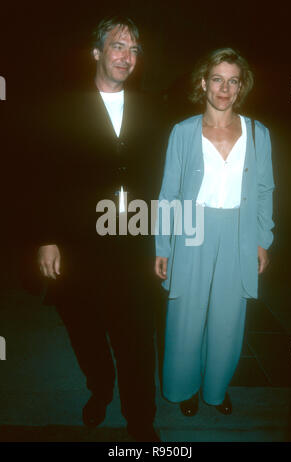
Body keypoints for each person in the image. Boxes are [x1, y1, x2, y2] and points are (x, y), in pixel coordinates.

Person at [36, 16, 163, 441]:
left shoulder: (153, 108)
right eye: (117, 46)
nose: (127, 56)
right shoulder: (61, 107)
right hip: (79, 244)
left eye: (134, 49)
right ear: (96, 52)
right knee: (86, 330)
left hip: (134, 242)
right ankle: (100, 387)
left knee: (136, 340)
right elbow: (42, 176)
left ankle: (141, 420)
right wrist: (47, 238)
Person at [155, 48, 275, 416]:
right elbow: (170, 193)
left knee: (228, 318)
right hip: (192, 231)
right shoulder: (183, 132)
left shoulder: (258, 133)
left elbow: (263, 190)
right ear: (203, 83)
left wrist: (261, 238)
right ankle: (183, 388)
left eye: (233, 80)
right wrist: (164, 246)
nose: (225, 88)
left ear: (241, 87)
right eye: (218, 79)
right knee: (185, 317)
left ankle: (216, 389)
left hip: (238, 232)